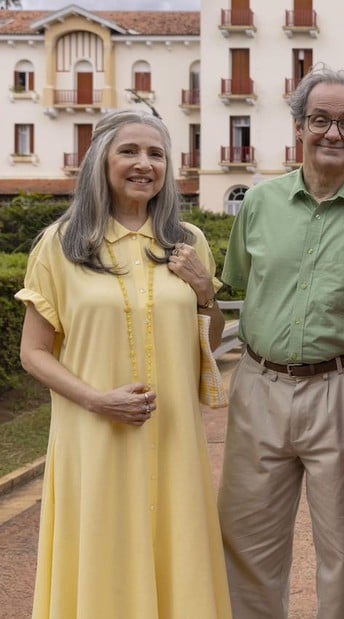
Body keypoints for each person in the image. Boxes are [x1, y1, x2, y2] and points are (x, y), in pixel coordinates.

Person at [17, 109, 231, 618]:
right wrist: (97, 399)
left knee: (175, 548)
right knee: (101, 551)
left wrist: (205, 291)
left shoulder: (188, 241)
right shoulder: (61, 244)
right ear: (101, 162)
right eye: (129, 151)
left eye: (156, 154)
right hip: (95, 437)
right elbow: (34, 352)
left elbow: (212, 339)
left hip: (175, 438)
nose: (144, 164)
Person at [217, 65, 344, 619]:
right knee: (246, 542)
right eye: (320, 119)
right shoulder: (258, 204)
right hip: (258, 386)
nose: (332, 133)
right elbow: (244, 286)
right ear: (299, 125)